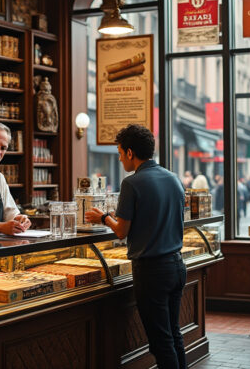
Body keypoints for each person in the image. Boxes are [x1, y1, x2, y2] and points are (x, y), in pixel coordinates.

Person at [84, 124, 187, 369]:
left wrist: (103, 217)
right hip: (176, 265)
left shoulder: (132, 183)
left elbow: (121, 230)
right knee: (174, 333)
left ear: (130, 153)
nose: (119, 159)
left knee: (160, 341)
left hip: (152, 271)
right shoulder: (173, 178)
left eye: (120, 152)